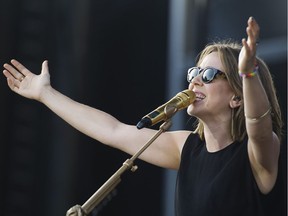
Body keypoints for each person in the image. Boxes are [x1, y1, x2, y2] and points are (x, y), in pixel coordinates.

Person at [3, 17, 284, 216]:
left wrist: (248, 73)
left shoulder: (257, 154)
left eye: (209, 75)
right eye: (194, 73)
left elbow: (259, 123)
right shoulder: (186, 148)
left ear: (237, 97)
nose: (195, 81)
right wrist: (45, 94)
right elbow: (111, 130)